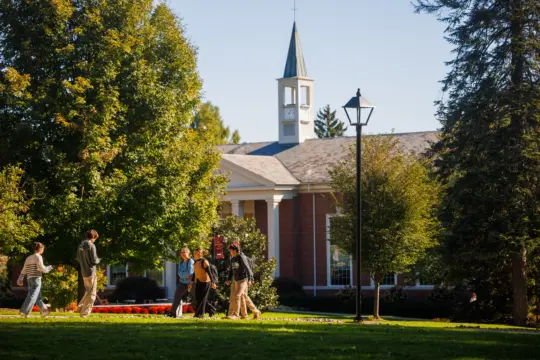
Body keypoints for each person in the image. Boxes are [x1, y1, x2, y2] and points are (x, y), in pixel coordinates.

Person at [225, 242, 261, 320]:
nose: (230, 252)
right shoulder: (232, 258)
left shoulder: (242, 257)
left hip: (243, 280)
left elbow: (247, 268)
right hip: (235, 280)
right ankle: (250, 313)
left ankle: (236, 314)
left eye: (231, 250)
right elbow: (231, 270)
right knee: (243, 296)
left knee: (237, 295)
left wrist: (250, 279)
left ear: (235, 250)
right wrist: (228, 279)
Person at [17, 242, 53, 318]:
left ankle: (44, 311)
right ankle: (24, 312)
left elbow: (24, 269)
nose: (43, 250)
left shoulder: (28, 258)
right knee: (32, 295)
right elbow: (42, 268)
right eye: (43, 248)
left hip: (29, 279)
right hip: (36, 279)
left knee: (37, 296)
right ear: (40, 248)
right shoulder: (38, 257)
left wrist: (20, 279)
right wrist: (49, 268)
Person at [76, 229, 100, 318]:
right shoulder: (91, 246)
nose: (95, 240)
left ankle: (80, 307)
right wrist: (99, 259)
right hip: (91, 272)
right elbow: (94, 260)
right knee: (92, 294)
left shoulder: (80, 246)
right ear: (93, 237)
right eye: (95, 239)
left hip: (83, 272)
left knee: (88, 291)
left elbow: (78, 259)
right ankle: (85, 313)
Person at [190, 248, 216, 319]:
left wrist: (213, 282)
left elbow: (210, 273)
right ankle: (212, 310)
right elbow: (195, 273)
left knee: (202, 298)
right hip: (198, 281)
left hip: (206, 282)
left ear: (199, 254)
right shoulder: (195, 262)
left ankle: (200, 314)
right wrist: (191, 282)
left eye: (195, 253)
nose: (194, 254)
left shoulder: (204, 261)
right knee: (198, 297)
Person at [168, 248, 194, 318]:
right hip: (182, 282)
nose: (183, 254)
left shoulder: (190, 261)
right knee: (177, 297)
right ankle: (172, 313)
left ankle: (199, 314)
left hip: (190, 283)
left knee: (195, 298)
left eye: (184, 252)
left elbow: (190, 273)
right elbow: (179, 273)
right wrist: (185, 275)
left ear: (188, 253)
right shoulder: (181, 262)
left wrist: (183, 275)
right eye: (182, 252)